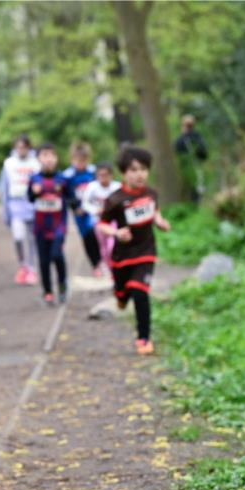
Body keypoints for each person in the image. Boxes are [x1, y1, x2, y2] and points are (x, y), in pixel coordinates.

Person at [96, 146, 171, 355]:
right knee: (123, 291)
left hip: (146, 251)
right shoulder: (115, 199)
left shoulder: (151, 193)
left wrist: (160, 222)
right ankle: (120, 295)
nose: (140, 175)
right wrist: (116, 233)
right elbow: (101, 224)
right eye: (134, 170)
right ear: (124, 173)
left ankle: (144, 338)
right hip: (122, 257)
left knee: (139, 291)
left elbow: (154, 211)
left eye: (144, 169)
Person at [26, 143, 69, 305]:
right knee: (43, 261)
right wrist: (34, 192)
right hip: (41, 227)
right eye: (45, 155)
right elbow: (29, 198)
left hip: (59, 226)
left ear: (56, 158)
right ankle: (48, 291)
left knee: (57, 255)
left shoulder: (63, 179)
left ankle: (63, 285)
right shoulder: (34, 179)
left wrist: (78, 207)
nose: (49, 159)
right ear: (38, 159)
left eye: (52, 155)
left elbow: (71, 197)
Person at [0, 135, 39, 285]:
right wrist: (5, 211)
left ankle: (32, 269)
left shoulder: (36, 163)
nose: (21, 150)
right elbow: (4, 187)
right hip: (15, 205)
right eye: (18, 147)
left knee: (32, 239)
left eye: (24, 147)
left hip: (32, 205)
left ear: (28, 147)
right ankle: (23, 265)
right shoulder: (9, 164)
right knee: (18, 237)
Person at [61, 142, 103, 276]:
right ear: (72, 159)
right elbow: (65, 196)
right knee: (86, 236)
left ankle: (103, 260)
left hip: (95, 210)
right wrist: (75, 207)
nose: (80, 163)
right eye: (77, 160)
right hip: (79, 213)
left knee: (96, 233)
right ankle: (95, 264)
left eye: (83, 160)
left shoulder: (93, 172)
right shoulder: (68, 176)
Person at [81, 162, 121, 275]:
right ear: (97, 176)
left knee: (112, 245)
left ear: (111, 175)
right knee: (103, 247)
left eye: (106, 175)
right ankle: (108, 267)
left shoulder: (117, 187)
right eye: (100, 175)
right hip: (98, 221)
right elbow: (85, 203)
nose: (103, 178)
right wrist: (95, 210)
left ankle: (115, 266)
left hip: (113, 221)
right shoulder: (92, 187)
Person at [174, 114, 209, 203]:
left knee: (191, 194)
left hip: (186, 171)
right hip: (199, 168)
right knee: (200, 191)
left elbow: (176, 155)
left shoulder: (180, 140)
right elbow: (205, 153)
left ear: (183, 125)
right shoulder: (198, 137)